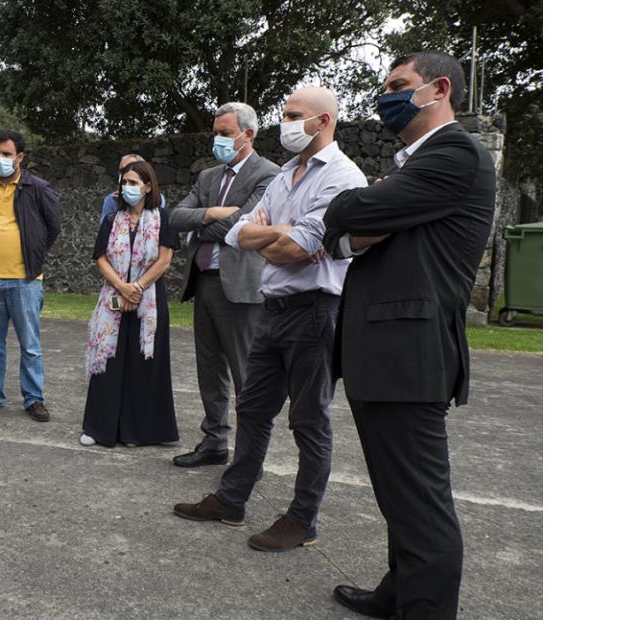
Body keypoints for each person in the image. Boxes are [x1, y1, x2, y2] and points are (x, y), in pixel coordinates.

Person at [320, 52, 495, 619]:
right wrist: (354, 225)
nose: (387, 95)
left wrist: (349, 208)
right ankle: (399, 592)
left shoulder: (453, 153)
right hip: (386, 355)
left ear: (439, 89)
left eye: (400, 85)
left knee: (421, 506)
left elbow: (354, 209)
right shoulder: (413, 165)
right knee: (400, 497)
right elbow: (349, 236)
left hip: (408, 355)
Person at [172, 87, 366, 552]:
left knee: (309, 420)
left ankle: (302, 519)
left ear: (324, 121)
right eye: (284, 114)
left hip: (315, 311)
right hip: (274, 310)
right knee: (253, 409)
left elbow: (296, 249)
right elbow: (239, 232)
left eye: (295, 115)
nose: (286, 123)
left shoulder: (342, 177)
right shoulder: (286, 176)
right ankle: (232, 499)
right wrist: (276, 232)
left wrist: (275, 235)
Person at [168, 102, 280, 467]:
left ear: (248, 135)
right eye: (215, 132)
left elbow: (244, 227)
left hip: (244, 288)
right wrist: (211, 214)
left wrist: (205, 222)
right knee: (209, 369)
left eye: (225, 134)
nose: (218, 139)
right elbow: (175, 217)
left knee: (246, 375)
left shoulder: (269, 175)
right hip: (205, 283)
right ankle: (214, 442)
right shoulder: (207, 178)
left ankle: (250, 457)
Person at [0, 130, 62, 422]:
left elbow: (53, 226)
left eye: (6, 154)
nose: (0, 159)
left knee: (30, 344)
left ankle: (34, 398)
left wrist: (34, 252)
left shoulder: (38, 188)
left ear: (20, 157)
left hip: (25, 280)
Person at [81, 161, 180, 447]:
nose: (128, 188)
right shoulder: (113, 219)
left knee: (143, 363)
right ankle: (99, 428)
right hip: (114, 296)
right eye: (125, 182)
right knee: (108, 361)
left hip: (148, 299)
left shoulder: (163, 217)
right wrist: (122, 287)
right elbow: (101, 257)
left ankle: (139, 431)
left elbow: (164, 260)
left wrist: (136, 288)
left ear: (148, 186)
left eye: (135, 183)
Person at [99, 153, 165, 224]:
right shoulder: (111, 200)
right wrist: (121, 204)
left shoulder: (157, 199)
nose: (126, 173)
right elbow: (105, 228)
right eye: (122, 170)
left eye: (132, 167)